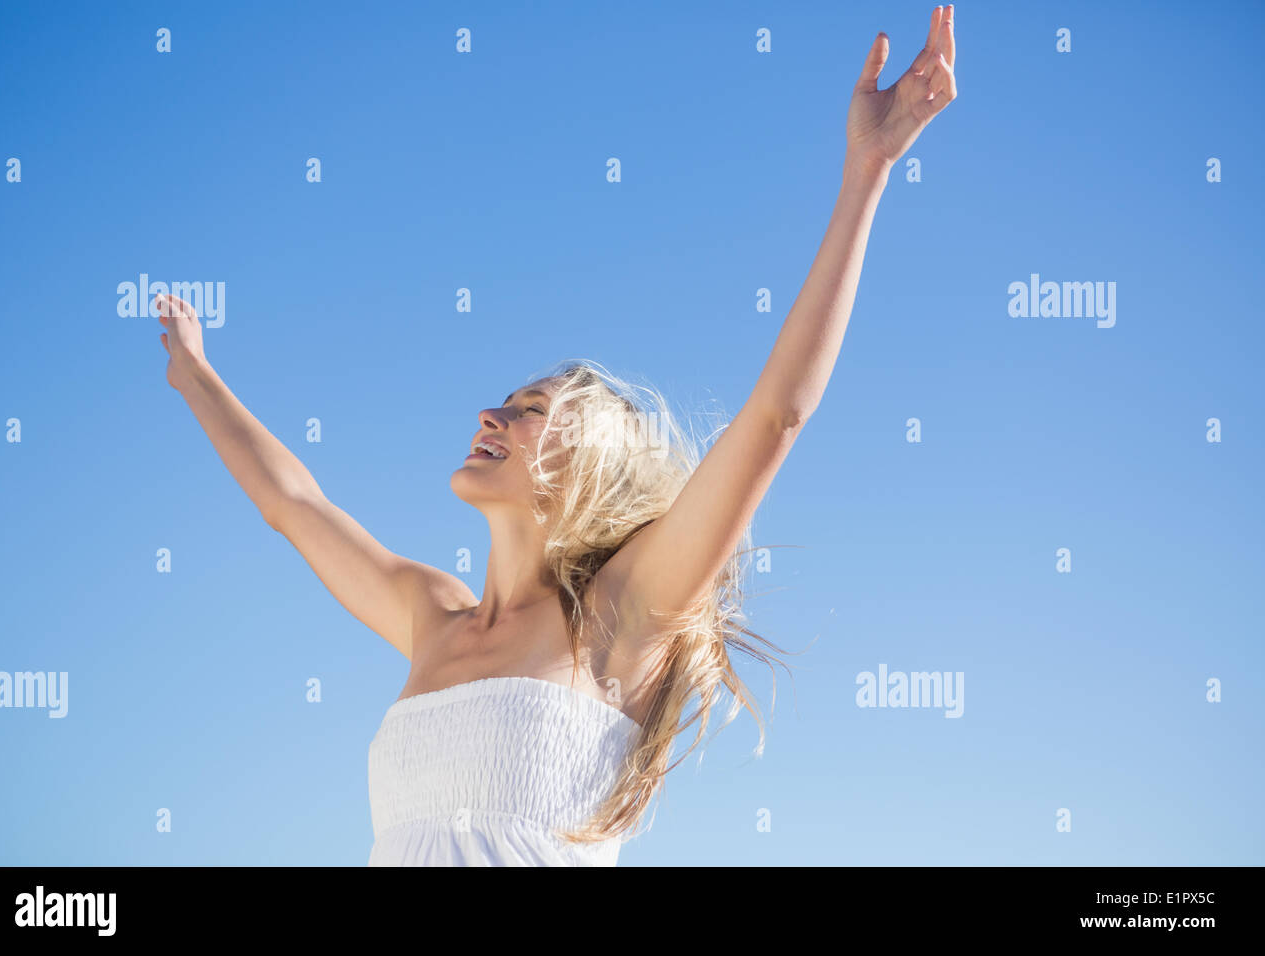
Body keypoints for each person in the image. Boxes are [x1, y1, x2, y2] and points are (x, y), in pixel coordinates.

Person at [154, 5, 958, 865]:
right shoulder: (431, 616)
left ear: (590, 468)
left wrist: (866, 173)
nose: (488, 416)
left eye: (528, 410)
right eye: (502, 402)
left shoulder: (622, 616)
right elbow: (293, 502)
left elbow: (775, 417)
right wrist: (195, 376)